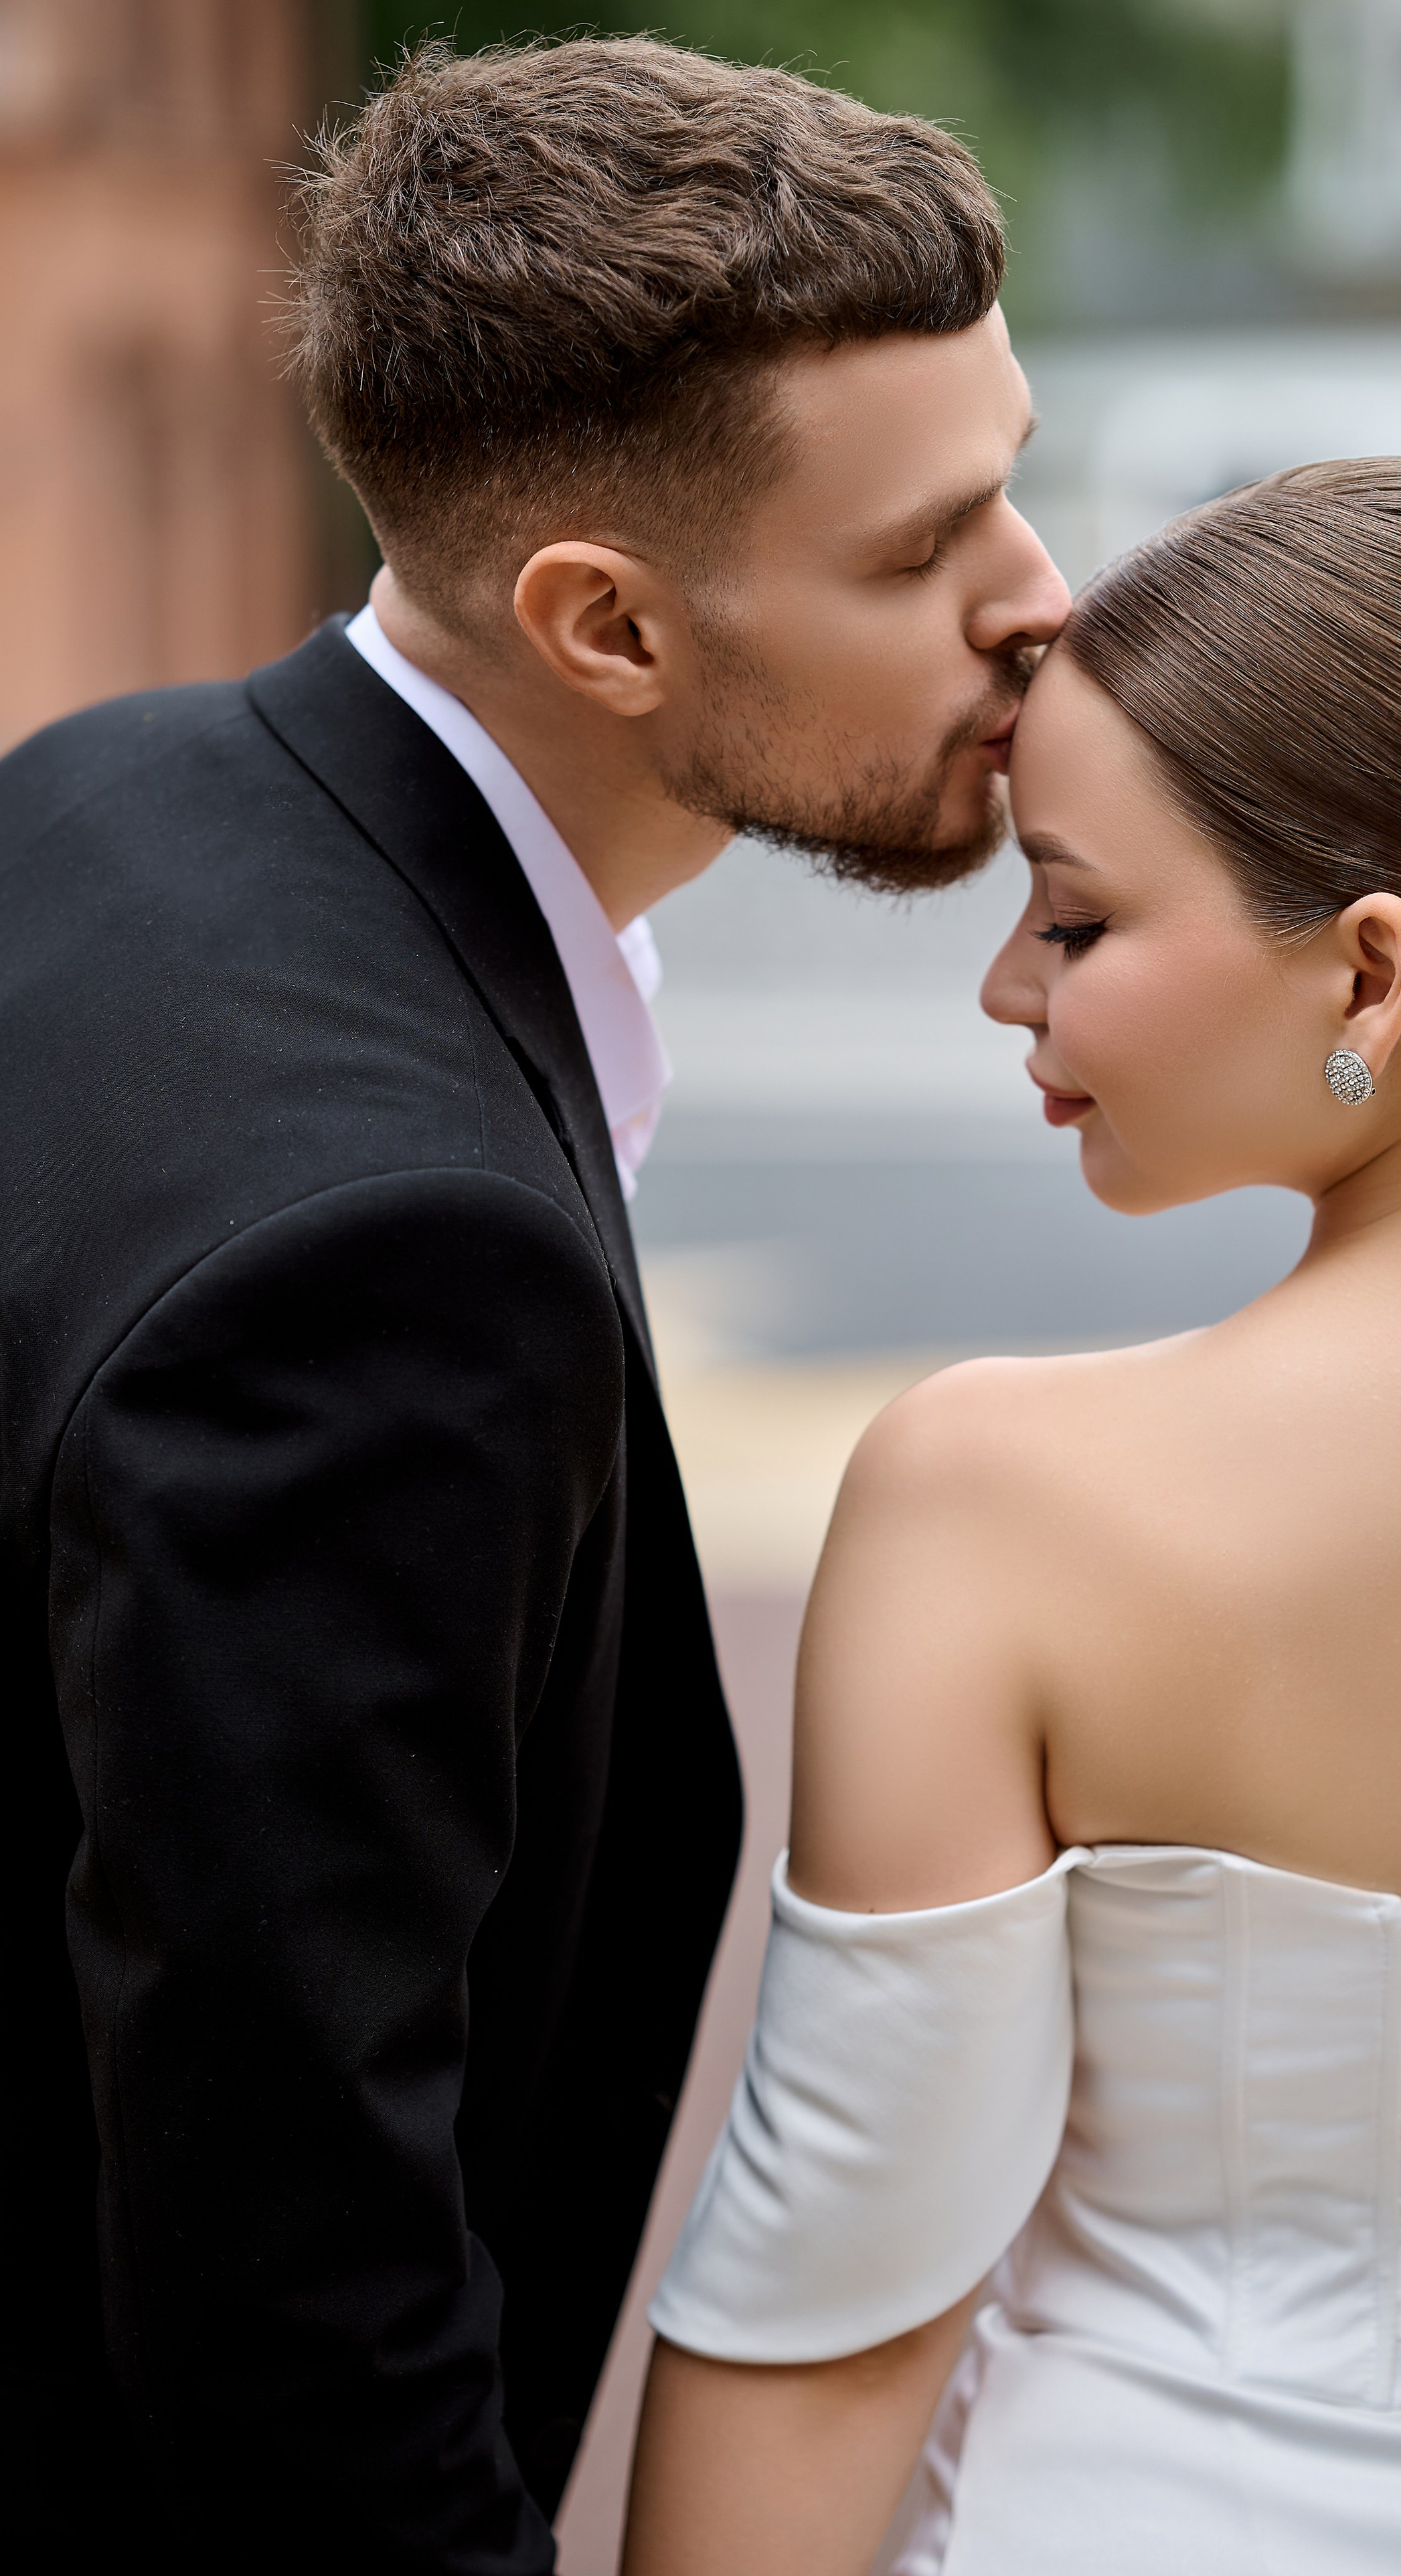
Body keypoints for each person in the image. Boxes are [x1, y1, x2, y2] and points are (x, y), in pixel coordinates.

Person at [0, 36, 1066, 2576]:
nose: (1043, 594)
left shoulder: (119, 787)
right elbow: (302, 2305)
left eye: (1012, 473)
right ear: (606, 625)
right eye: (928, 549)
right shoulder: (389, 1267)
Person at [625, 458, 1401, 2574]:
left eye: (1079, 917)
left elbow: (831, 2324)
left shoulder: (1003, 1501)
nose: (1007, 990)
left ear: (1372, 974)